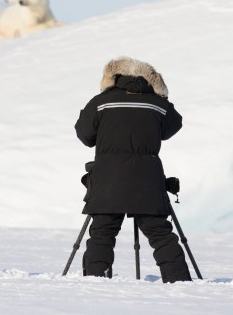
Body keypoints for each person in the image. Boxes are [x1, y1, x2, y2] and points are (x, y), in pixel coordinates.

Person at [74, 56, 192, 283]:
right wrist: (161, 100)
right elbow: (172, 127)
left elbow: (85, 135)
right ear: (151, 80)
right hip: (147, 180)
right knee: (161, 234)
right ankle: (179, 282)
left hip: (108, 180)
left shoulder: (100, 102)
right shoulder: (157, 104)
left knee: (102, 234)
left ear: (113, 78)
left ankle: (94, 282)